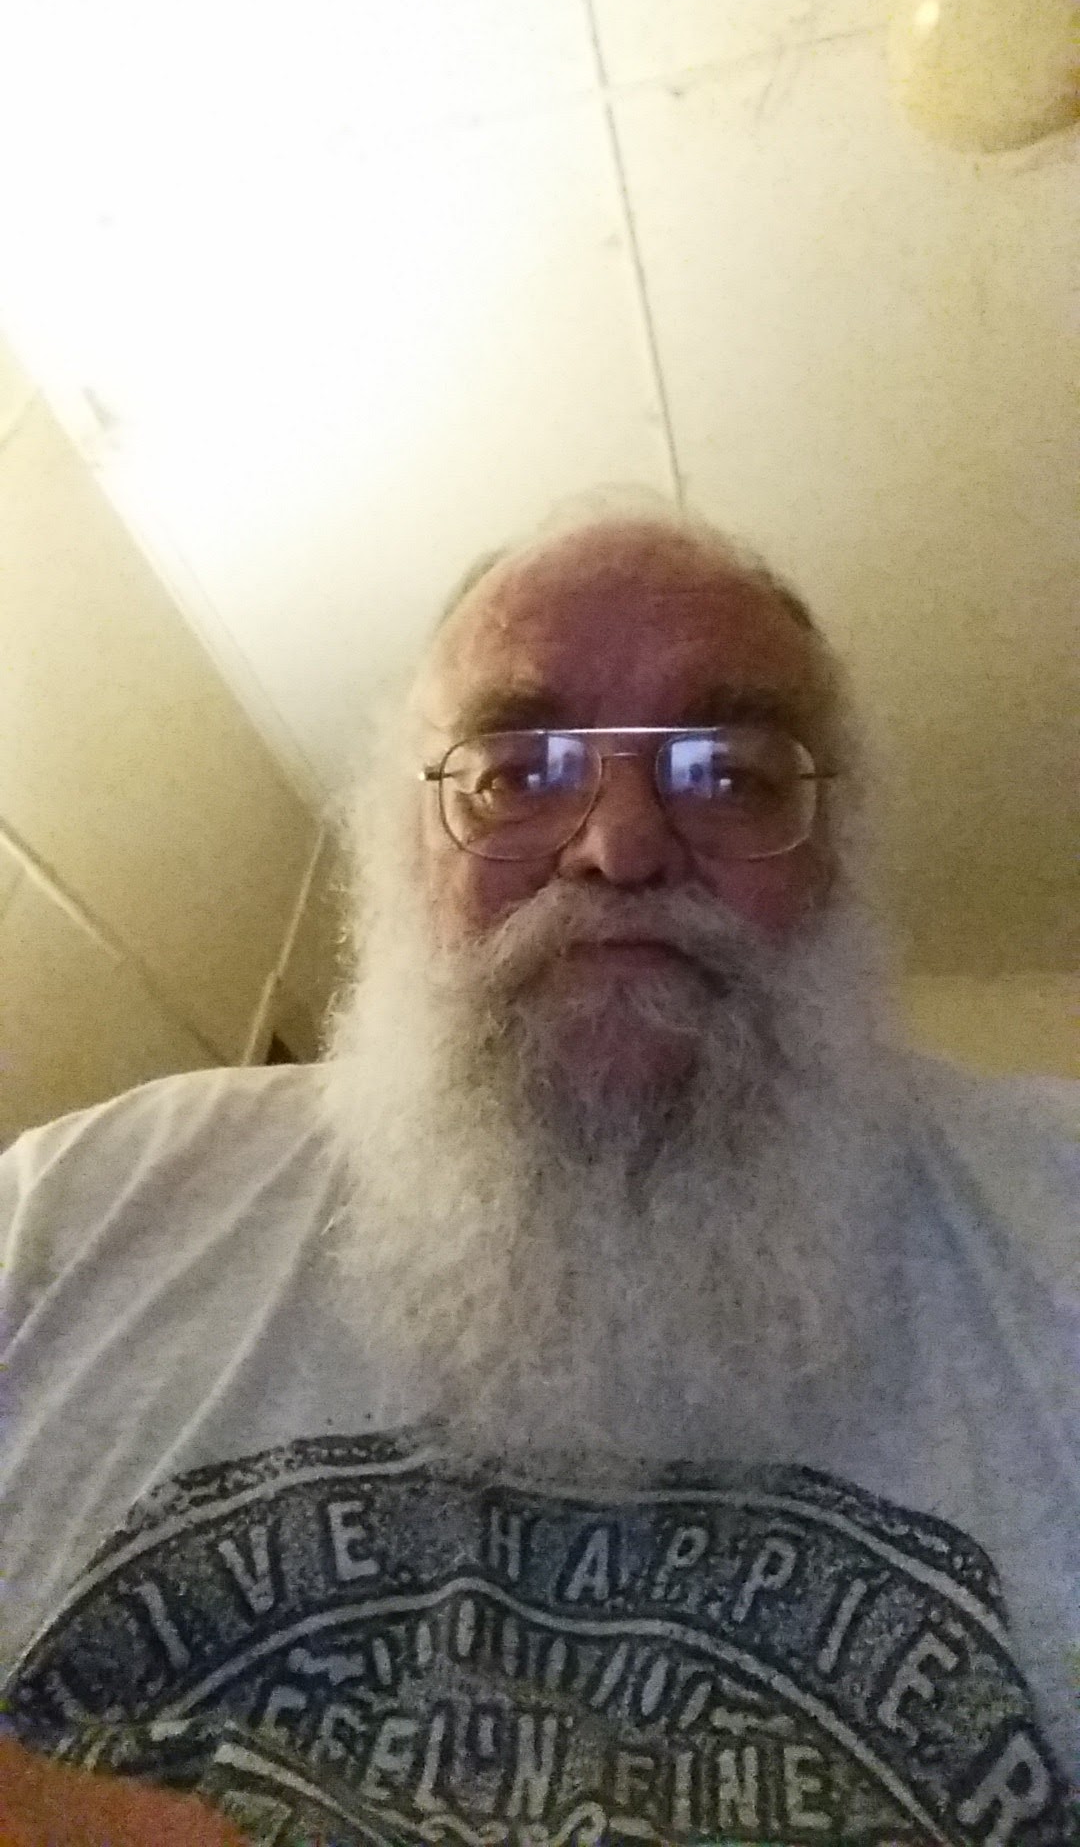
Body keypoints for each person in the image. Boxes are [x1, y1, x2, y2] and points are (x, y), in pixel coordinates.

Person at [0, 499, 1076, 1845]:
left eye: (728, 772)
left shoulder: (1059, 1221)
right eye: (518, 774)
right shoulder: (78, 1206)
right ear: (403, 849)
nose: (620, 849)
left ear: (840, 850)